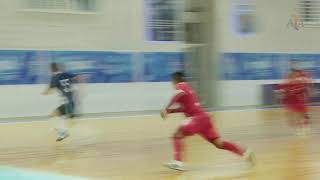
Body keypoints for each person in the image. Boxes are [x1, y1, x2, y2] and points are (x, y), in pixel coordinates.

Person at [161, 72, 255, 171]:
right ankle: (244, 152)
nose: (171, 84)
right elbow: (185, 108)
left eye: (172, 81)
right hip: (204, 119)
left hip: (197, 119)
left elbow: (178, 94)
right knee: (219, 144)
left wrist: (166, 108)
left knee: (177, 135)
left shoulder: (181, 86)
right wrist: (170, 111)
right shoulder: (188, 89)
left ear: (175, 80)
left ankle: (178, 162)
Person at [42, 62, 84, 141]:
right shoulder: (66, 74)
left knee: (60, 118)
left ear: (51, 70)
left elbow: (49, 91)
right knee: (56, 115)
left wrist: (44, 93)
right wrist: (81, 88)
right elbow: (79, 77)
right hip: (71, 101)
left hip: (67, 103)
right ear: (58, 68)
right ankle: (63, 130)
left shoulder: (55, 78)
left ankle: (64, 131)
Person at [277, 60, 313, 135]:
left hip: (300, 97)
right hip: (292, 97)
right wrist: (283, 94)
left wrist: (307, 92)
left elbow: (308, 85)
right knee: (292, 113)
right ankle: (299, 127)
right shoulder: (289, 76)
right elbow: (284, 87)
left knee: (302, 113)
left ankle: (304, 125)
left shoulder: (304, 75)